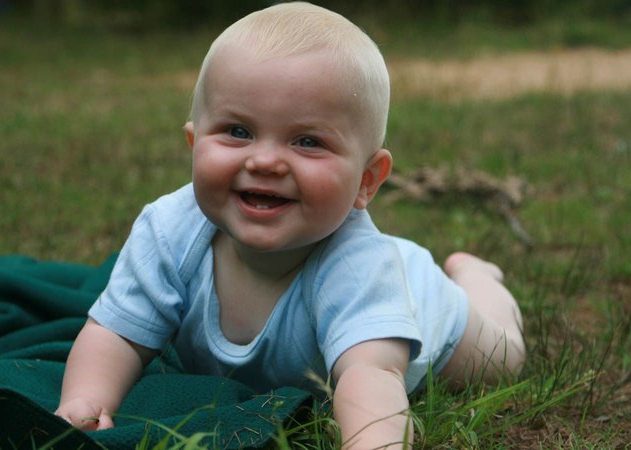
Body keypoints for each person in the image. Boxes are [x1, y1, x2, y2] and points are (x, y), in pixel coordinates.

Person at [55, 2, 525, 448]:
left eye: (306, 141)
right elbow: (115, 334)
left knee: (503, 358)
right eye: (238, 131)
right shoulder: (167, 231)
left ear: (367, 180)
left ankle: (477, 277)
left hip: (426, 305)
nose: (263, 161)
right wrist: (84, 401)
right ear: (194, 143)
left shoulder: (357, 266)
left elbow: (372, 377)